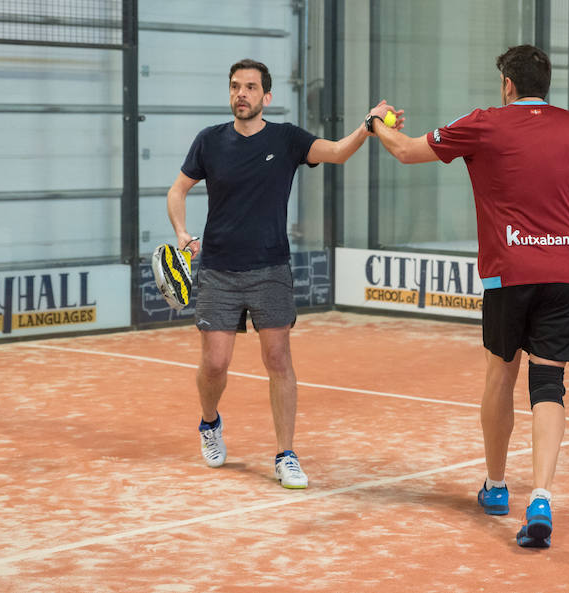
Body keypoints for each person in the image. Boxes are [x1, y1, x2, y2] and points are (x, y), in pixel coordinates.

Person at [369, 45, 569, 547]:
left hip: (508, 276)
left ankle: (495, 486)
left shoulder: (484, 123)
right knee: (549, 386)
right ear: (545, 84)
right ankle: (540, 496)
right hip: (566, 277)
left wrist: (376, 122)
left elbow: (405, 150)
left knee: (501, 373)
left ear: (508, 84)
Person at [166, 58, 399, 488]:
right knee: (215, 364)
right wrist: (181, 232)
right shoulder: (209, 141)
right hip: (218, 269)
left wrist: (368, 126)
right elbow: (178, 189)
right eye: (236, 86)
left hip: (271, 268)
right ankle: (209, 422)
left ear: (266, 97)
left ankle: (285, 454)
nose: (241, 94)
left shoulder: (287, 139)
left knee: (278, 361)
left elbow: (335, 152)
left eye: (251, 88)